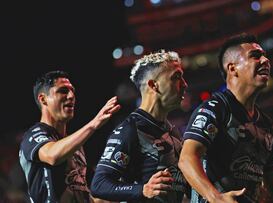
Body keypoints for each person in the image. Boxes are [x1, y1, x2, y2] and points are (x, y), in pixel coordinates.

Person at [178, 33, 273, 203]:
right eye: (255, 56)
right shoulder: (215, 108)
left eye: (265, 55)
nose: (265, 60)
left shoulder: (265, 125)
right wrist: (216, 198)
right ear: (233, 68)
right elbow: (187, 159)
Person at [90, 50, 189, 202]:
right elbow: (99, 185)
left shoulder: (171, 130)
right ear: (153, 85)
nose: (184, 84)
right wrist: (142, 189)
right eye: (176, 77)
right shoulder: (130, 129)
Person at [19, 70, 121, 203]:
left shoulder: (75, 146)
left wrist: (130, 192)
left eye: (72, 90)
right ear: (43, 99)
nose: (71, 95)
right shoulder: (33, 135)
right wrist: (94, 123)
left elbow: (83, 195)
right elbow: (52, 155)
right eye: (63, 91)